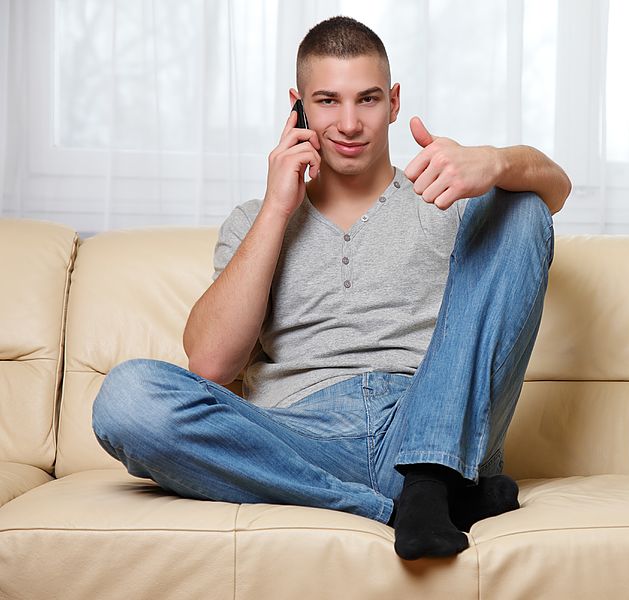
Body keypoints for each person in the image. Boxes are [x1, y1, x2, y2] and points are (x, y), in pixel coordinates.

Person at [91, 15, 571, 561]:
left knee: (521, 206)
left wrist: (497, 161)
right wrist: (277, 208)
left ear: (393, 102)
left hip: (428, 422)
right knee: (126, 398)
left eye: (367, 100)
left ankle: (431, 477)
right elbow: (210, 363)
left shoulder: (447, 193)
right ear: (297, 107)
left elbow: (554, 192)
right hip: (297, 441)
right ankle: (403, 506)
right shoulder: (254, 220)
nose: (349, 123)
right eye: (327, 102)